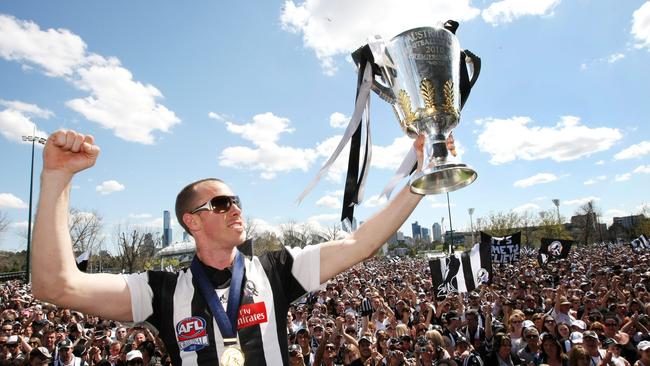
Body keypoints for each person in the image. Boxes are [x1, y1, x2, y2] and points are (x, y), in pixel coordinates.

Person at [31, 130, 442, 366]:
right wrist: (57, 177)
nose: (235, 209)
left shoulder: (277, 270)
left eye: (237, 201)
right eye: (221, 204)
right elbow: (55, 285)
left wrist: (420, 180)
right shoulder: (160, 291)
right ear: (191, 221)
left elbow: (361, 243)